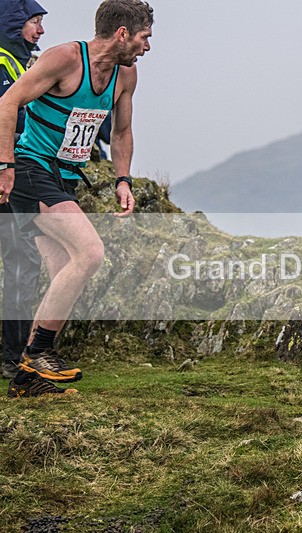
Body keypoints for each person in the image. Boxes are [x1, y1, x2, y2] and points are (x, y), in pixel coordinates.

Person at [0, 0, 153, 397]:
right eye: (144, 37)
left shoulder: (125, 75)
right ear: (122, 33)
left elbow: (121, 133)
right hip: (31, 167)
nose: (147, 46)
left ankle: (25, 378)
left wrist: (123, 179)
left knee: (65, 269)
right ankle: (39, 353)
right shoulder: (65, 59)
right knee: (89, 253)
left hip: (65, 178)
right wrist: (4, 166)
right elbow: (8, 102)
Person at [0, 0, 46, 380]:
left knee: (19, 261)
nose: (41, 31)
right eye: (34, 22)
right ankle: (13, 356)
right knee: (20, 261)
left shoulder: (20, 63)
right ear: (13, 23)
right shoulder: (4, 63)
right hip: (7, 175)